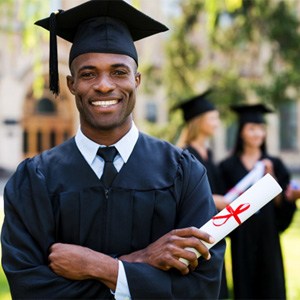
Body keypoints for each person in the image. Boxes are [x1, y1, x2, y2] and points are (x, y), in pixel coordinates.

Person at [1, 1, 226, 299]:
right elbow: (30, 289)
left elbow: (202, 288)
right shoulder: (35, 179)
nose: (104, 85)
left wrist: (104, 268)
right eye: (89, 74)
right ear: (71, 84)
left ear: (137, 80)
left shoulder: (183, 172)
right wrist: (141, 265)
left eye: (119, 72)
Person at [219, 103, 296, 299]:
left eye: (261, 129)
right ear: (242, 132)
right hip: (242, 237)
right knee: (245, 288)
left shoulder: (274, 164)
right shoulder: (228, 166)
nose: (257, 133)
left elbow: (283, 206)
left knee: (272, 285)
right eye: (252, 128)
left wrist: (271, 178)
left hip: (268, 235)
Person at [175, 90, 229, 299]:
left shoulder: (209, 153)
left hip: (214, 233)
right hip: (194, 233)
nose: (217, 122)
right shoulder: (184, 155)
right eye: (213, 117)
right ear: (199, 121)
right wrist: (215, 200)